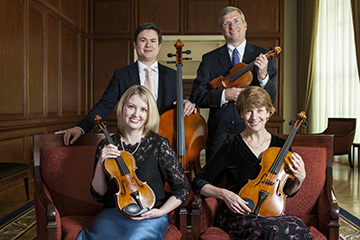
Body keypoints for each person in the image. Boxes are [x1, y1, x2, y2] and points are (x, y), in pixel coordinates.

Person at [192, 86, 312, 239]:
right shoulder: (230, 146)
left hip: (270, 214)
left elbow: (285, 190)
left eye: (260, 110)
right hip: (238, 214)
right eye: (248, 111)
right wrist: (225, 195)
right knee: (274, 232)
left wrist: (300, 179)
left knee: (299, 228)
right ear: (241, 114)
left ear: (268, 113)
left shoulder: (282, 146)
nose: (254, 117)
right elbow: (198, 182)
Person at [76, 85, 190, 240]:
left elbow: (182, 188)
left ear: (149, 114)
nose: (136, 114)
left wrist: (160, 212)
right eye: (131, 107)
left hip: (148, 214)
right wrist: (100, 162)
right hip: (112, 213)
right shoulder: (106, 145)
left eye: (143, 109)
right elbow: (99, 195)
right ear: (123, 108)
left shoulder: (159, 145)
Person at [56, 22, 196, 145]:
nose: (148, 45)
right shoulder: (121, 75)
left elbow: (178, 104)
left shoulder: (172, 75)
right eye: (143, 40)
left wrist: (187, 103)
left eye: (153, 41)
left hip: (165, 140)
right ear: (135, 44)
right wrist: (81, 128)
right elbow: (104, 105)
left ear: (159, 46)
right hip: (132, 140)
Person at [189, 6, 277, 160]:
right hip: (219, 135)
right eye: (226, 23)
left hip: (254, 133)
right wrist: (224, 95)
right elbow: (197, 96)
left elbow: (271, 97)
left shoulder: (262, 56)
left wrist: (263, 75)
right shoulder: (209, 59)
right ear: (222, 30)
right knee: (217, 180)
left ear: (245, 25)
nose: (232, 26)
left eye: (236, 21)